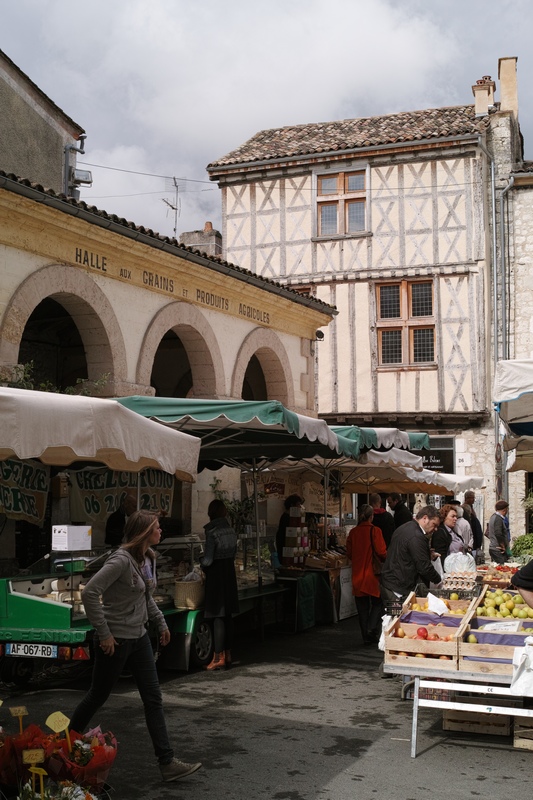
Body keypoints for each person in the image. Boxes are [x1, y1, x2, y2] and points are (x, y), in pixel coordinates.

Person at [70, 510, 202, 783]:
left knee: (153, 698)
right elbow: (90, 592)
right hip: (116, 640)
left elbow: (145, 597)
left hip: (139, 637)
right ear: (144, 532)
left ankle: (167, 762)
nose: (161, 531)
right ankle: (65, 743)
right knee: (98, 694)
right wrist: (104, 633)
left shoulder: (145, 558)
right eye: (156, 527)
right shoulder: (120, 560)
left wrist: (161, 623)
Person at [201, 499, 239, 671]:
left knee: (217, 615)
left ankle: (218, 657)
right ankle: (229, 654)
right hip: (229, 572)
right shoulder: (231, 531)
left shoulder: (212, 532)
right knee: (228, 615)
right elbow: (234, 553)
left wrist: (199, 563)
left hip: (216, 574)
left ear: (211, 513)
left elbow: (208, 560)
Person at [379, 506, 442, 606]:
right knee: (398, 618)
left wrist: (427, 554)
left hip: (392, 582)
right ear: (425, 518)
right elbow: (424, 567)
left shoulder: (405, 527)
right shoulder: (416, 536)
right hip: (398, 586)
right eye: (434, 525)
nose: (436, 529)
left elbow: (405, 553)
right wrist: (439, 580)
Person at [346, 504, 387, 645]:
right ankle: (371, 628)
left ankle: (365, 636)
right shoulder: (375, 531)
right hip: (372, 574)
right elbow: (382, 552)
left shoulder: (353, 532)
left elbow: (349, 553)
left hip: (358, 574)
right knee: (378, 602)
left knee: (362, 608)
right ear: (371, 516)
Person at [275, 494, 303, 561]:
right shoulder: (286, 517)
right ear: (292, 505)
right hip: (285, 548)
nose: (299, 507)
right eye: (298, 505)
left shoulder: (292, 518)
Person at [488, 499, 510, 564]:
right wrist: (502, 545)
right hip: (497, 549)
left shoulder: (493, 517)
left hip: (494, 548)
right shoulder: (498, 519)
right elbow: (498, 533)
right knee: (503, 567)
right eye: (507, 509)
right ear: (504, 510)